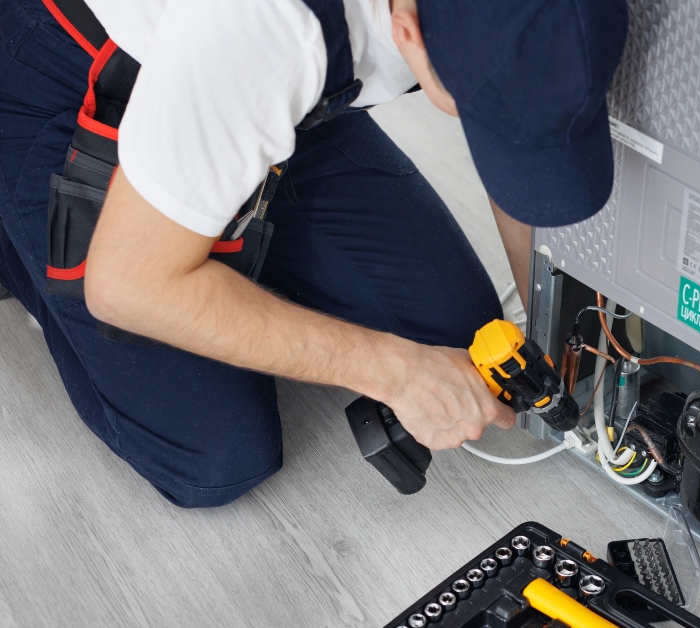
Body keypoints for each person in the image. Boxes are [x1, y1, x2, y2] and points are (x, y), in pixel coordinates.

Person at [0, 0, 627, 507]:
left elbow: (521, 111)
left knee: (459, 331)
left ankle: (211, 203)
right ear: (407, 28)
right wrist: (393, 371)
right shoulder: (264, 30)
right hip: (71, 62)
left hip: (262, 88)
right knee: (217, 455)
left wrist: (552, 328)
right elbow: (129, 285)